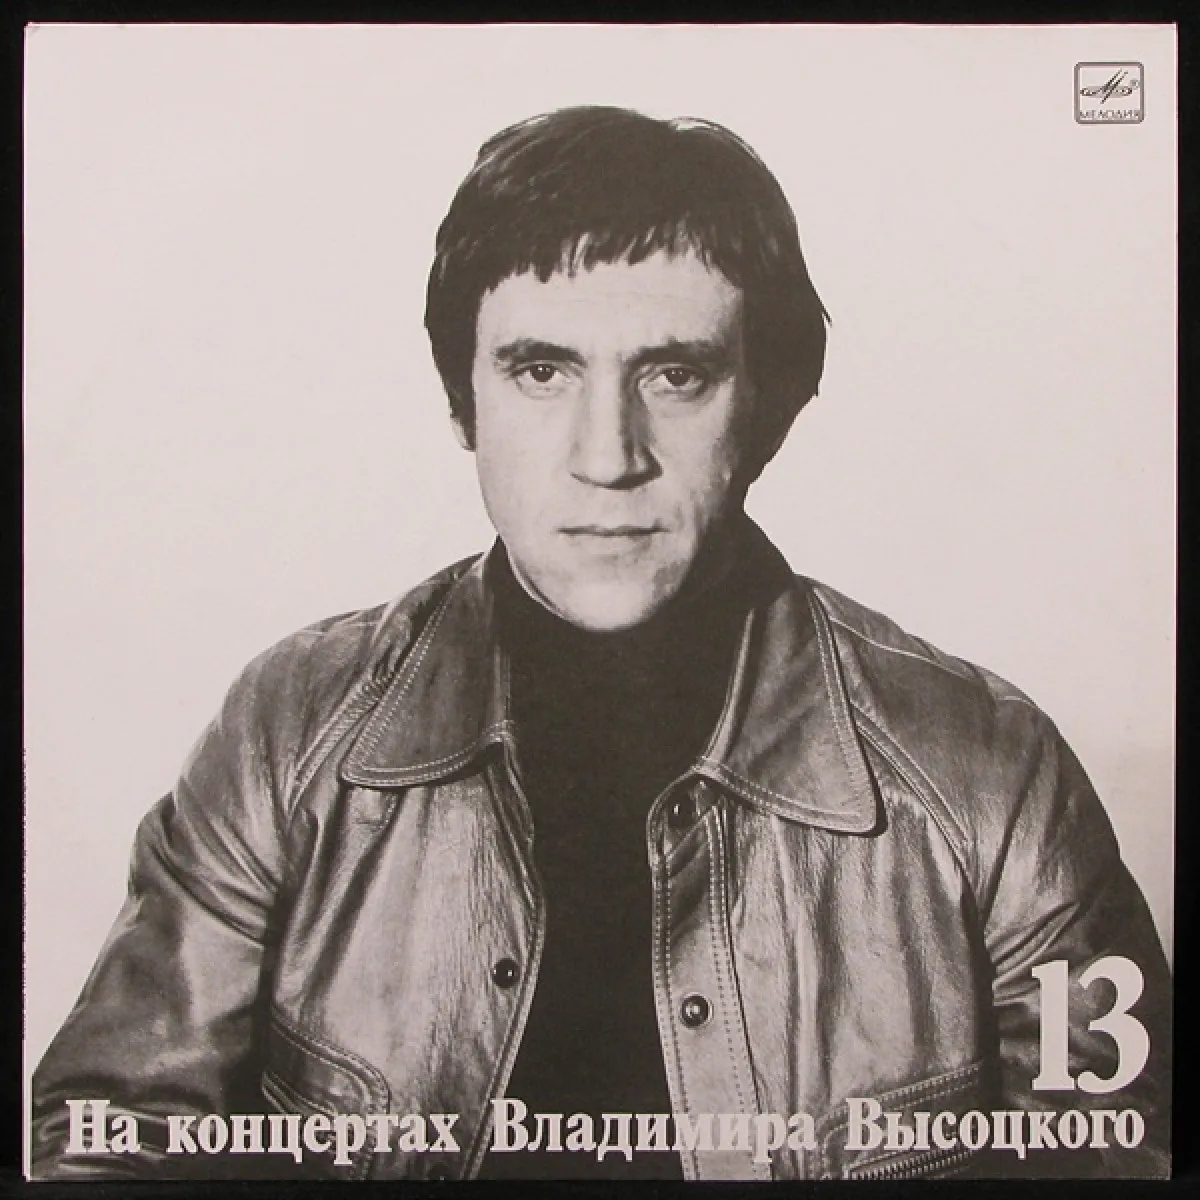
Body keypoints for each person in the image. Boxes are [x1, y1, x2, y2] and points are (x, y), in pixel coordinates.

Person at [31, 105, 1170, 1181]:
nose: (607, 456)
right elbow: (107, 1133)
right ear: (463, 401)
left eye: (676, 375)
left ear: (769, 404)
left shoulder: (991, 777)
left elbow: (1118, 1156)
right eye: (542, 371)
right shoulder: (289, 730)